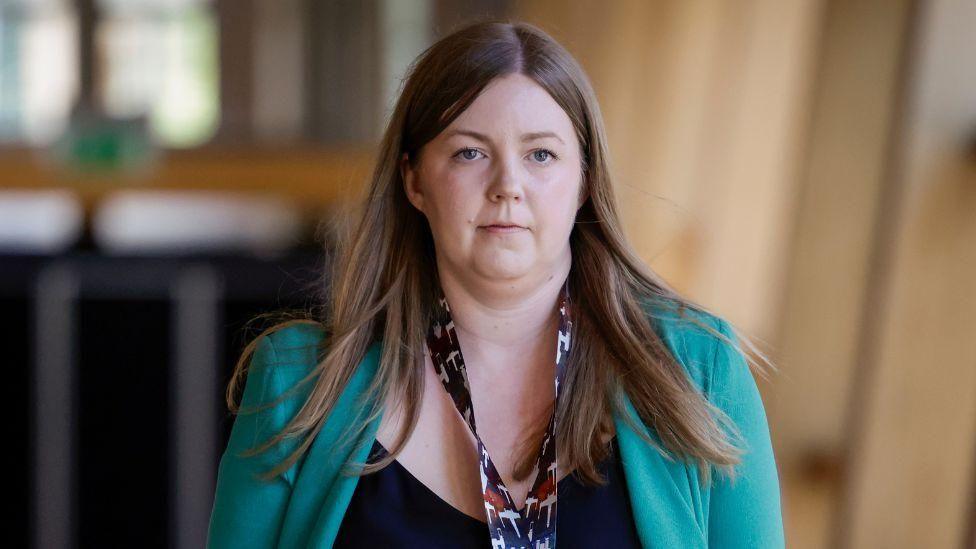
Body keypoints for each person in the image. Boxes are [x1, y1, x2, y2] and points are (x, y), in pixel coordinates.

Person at [207, 18, 785, 549]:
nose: (508, 184)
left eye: (540, 154)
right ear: (413, 181)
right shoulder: (298, 382)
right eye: (469, 153)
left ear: (583, 182)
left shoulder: (698, 372)